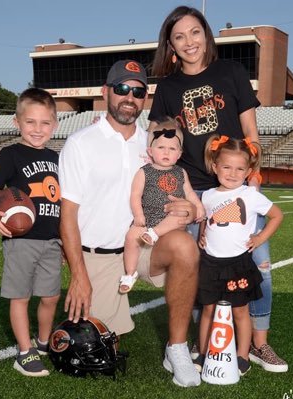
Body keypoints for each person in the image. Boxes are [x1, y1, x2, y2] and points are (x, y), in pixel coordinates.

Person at [148, 5, 288, 372]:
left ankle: (259, 344)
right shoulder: (167, 87)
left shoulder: (232, 72)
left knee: (260, 266)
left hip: (238, 185)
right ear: (171, 46)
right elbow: (160, 140)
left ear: (206, 35)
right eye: (179, 36)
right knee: (197, 270)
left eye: (194, 32)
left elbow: (251, 134)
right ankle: (199, 343)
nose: (189, 42)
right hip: (195, 193)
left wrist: (253, 181)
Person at [59, 60, 201, 387]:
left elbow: (184, 192)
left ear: (145, 98)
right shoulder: (82, 143)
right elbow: (67, 215)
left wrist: (190, 211)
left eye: (138, 91)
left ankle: (177, 347)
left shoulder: (152, 142)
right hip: (97, 254)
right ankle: (99, 300)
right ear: (106, 92)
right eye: (122, 88)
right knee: (98, 349)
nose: (130, 97)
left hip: (143, 245)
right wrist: (79, 276)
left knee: (184, 246)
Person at [0, 88, 62, 377]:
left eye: (44, 123)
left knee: (51, 296)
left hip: (52, 240)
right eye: (30, 122)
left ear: (55, 125)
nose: (37, 129)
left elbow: (61, 201)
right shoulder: (10, 154)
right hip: (21, 240)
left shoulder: (56, 156)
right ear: (17, 123)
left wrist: (63, 240)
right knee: (21, 297)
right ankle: (24, 352)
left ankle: (42, 342)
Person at [195, 134, 283, 376]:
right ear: (215, 167)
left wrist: (260, 238)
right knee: (208, 310)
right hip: (210, 263)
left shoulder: (251, 195)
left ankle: (242, 356)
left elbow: (277, 216)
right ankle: (203, 354)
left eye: (239, 168)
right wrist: (202, 234)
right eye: (226, 167)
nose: (232, 173)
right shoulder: (208, 195)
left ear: (248, 171)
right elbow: (207, 219)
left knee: (240, 311)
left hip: (238, 264)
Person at [120, 119, 205, 293]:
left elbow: (189, 193)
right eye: (161, 148)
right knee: (130, 237)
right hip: (148, 220)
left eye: (172, 148)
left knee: (180, 213)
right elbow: (135, 195)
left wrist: (199, 207)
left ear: (179, 154)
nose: (166, 152)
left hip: (170, 221)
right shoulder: (144, 171)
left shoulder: (181, 172)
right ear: (150, 151)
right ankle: (130, 273)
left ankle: (155, 234)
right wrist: (138, 215)